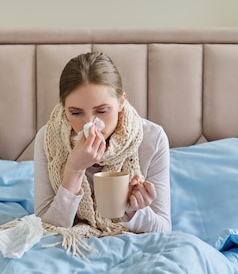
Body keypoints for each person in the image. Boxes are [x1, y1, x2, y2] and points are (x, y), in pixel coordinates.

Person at [34, 52, 171, 243]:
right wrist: (74, 169)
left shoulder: (152, 138)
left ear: (121, 102)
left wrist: (134, 211)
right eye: (75, 113)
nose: (90, 124)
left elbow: (164, 228)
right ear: (64, 108)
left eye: (102, 111)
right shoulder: (48, 140)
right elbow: (44, 227)